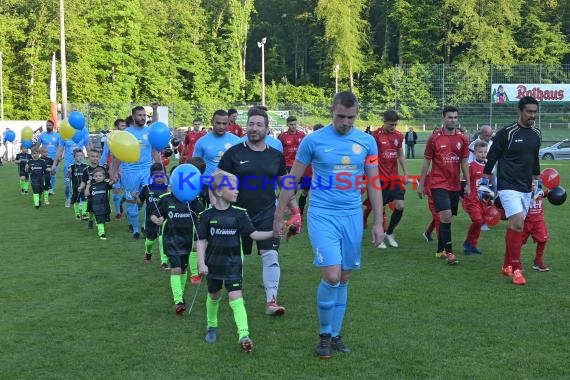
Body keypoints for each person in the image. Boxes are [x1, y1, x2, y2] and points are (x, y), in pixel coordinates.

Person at [273, 91, 385, 359]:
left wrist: (379, 221)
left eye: (351, 117)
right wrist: (279, 214)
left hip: (352, 216)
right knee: (332, 275)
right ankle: (324, 333)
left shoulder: (367, 142)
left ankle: (335, 335)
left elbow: (374, 183)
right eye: (340, 116)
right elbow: (293, 178)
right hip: (322, 214)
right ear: (331, 111)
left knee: (344, 277)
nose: (346, 122)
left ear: (357, 114)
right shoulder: (313, 141)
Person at [218, 107, 299, 316]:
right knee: (235, 259)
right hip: (236, 216)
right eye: (251, 124)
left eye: (258, 125)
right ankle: (234, 297)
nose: (254, 128)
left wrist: (295, 212)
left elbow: (286, 185)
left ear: (267, 128)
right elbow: (217, 180)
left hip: (267, 214)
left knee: (270, 256)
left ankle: (271, 301)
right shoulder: (233, 154)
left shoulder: (275, 156)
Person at [197, 170, 275, 352]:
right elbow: (201, 241)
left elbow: (254, 234)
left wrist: (273, 233)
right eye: (232, 187)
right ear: (218, 192)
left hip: (233, 264)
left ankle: (244, 334)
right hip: (213, 264)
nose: (237, 191)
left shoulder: (240, 213)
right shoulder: (206, 215)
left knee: (235, 296)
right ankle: (212, 325)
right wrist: (201, 263)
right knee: (214, 295)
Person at [483, 96, 542, 286]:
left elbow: (534, 159)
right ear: (520, 112)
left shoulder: (537, 134)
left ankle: (507, 265)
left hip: (526, 187)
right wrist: (485, 180)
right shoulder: (507, 133)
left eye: (534, 111)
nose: (532, 115)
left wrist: (536, 180)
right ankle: (517, 269)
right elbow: (492, 155)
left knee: (515, 226)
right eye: (529, 112)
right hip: (508, 185)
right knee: (517, 224)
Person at [417, 106, 470, 265]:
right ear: (443, 118)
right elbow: (426, 161)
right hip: (438, 183)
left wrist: (467, 183)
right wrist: (421, 183)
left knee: (448, 219)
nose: (452, 120)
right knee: (445, 216)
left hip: (455, 185)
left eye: (455, 117)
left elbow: (464, 162)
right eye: (449, 117)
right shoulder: (434, 138)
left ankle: (441, 248)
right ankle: (450, 253)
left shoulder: (462, 139)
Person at [150, 167, 204, 315]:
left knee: (184, 269)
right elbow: (154, 215)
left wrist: (196, 240)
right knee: (176, 269)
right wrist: (157, 220)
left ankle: (180, 295)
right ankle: (178, 300)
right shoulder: (166, 199)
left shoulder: (193, 200)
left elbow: (201, 220)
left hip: (186, 240)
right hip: (170, 240)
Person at [110, 105, 161, 239]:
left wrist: (160, 170)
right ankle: (135, 229)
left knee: (149, 198)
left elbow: (155, 150)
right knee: (132, 199)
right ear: (133, 117)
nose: (143, 118)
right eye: (140, 115)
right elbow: (118, 155)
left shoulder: (149, 132)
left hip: (146, 170)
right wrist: (114, 172)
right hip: (129, 171)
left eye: (144, 115)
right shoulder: (126, 133)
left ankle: (145, 226)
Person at [366, 110, 410, 248]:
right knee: (380, 209)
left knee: (400, 205)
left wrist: (406, 173)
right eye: (391, 124)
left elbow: (400, 155)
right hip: (379, 179)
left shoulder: (398, 136)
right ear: (384, 121)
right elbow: (370, 158)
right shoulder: (375, 136)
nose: (393, 127)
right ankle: (379, 235)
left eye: (395, 124)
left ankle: (389, 233)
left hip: (394, 178)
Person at [138, 163, 170, 266]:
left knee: (162, 240)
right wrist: (136, 197)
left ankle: (164, 262)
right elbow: (140, 202)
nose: (159, 178)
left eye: (162, 176)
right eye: (157, 176)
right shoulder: (147, 188)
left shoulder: (167, 189)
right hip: (150, 220)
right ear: (152, 176)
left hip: (164, 220)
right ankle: (148, 253)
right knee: (150, 241)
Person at [462, 141, 491, 255]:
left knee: (481, 222)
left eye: (485, 152)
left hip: (483, 201)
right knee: (477, 220)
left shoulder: (489, 167)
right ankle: (467, 243)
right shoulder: (470, 166)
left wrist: (490, 197)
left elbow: (489, 184)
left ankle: (473, 245)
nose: (483, 154)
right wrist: (465, 193)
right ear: (474, 152)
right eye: (480, 152)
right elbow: (464, 182)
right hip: (472, 199)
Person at [192, 110, 240, 178]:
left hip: (230, 185)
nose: (221, 126)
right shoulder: (201, 142)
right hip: (207, 184)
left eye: (224, 123)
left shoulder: (237, 141)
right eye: (218, 123)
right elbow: (195, 166)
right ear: (212, 122)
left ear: (228, 123)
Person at [52, 125, 91, 208]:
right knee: (67, 184)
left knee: (81, 183)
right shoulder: (65, 132)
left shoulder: (83, 131)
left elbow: (88, 148)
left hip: (81, 165)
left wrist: (93, 163)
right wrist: (54, 165)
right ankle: (68, 198)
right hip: (68, 165)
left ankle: (81, 200)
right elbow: (59, 150)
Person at [100, 118, 127, 218]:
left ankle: (121, 202)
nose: (124, 128)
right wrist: (102, 166)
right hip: (114, 168)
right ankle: (118, 212)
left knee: (128, 190)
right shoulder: (110, 139)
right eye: (122, 126)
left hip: (127, 169)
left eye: (125, 126)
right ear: (116, 127)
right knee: (116, 190)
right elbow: (105, 153)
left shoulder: (128, 139)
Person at [522, 184, 550, 272]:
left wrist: (550, 192)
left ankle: (538, 261)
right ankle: (515, 262)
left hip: (538, 221)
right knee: (518, 242)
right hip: (525, 221)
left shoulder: (539, 191)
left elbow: (543, 194)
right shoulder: (523, 191)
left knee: (543, 240)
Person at [298, 124, 324, 216]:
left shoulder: (326, 143)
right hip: (309, 173)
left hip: (319, 174)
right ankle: (300, 212)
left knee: (320, 193)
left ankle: (318, 212)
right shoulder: (309, 142)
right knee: (305, 192)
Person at [84, 167, 115, 240]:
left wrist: (114, 175)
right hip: (96, 207)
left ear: (104, 176)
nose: (98, 177)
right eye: (96, 176)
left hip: (105, 206)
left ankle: (102, 229)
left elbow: (113, 181)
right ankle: (101, 233)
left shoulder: (106, 184)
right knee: (99, 220)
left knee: (104, 220)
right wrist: (87, 185)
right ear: (93, 177)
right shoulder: (92, 186)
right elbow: (86, 194)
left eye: (100, 176)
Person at [79, 148, 106, 229]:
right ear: (89, 157)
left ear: (99, 157)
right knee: (91, 209)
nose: (95, 158)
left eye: (97, 156)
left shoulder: (102, 169)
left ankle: (100, 222)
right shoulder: (86, 170)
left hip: (101, 193)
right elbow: (83, 181)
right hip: (90, 194)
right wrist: (81, 187)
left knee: (100, 209)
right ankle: (91, 220)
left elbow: (107, 179)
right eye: (93, 156)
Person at [37, 120, 61, 192]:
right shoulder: (42, 135)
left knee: (53, 173)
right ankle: (45, 187)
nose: (48, 126)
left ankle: (51, 188)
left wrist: (60, 156)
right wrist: (36, 154)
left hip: (54, 158)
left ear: (53, 126)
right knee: (44, 173)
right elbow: (37, 145)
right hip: (44, 158)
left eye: (49, 125)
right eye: (47, 125)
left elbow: (60, 147)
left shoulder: (57, 135)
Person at [69, 149, 88, 220]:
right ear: (74, 157)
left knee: (84, 199)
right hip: (75, 187)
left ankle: (84, 213)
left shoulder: (86, 166)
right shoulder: (72, 167)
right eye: (78, 156)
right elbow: (69, 176)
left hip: (84, 187)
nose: (80, 157)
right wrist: (69, 173)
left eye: (81, 155)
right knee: (76, 200)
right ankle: (77, 214)